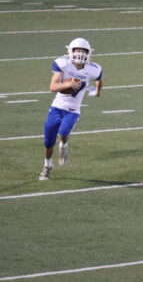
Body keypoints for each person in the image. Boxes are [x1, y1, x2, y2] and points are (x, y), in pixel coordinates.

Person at [41, 38, 103, 180]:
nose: (80, 54)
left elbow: (99, 79)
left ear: (88, 53)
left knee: (63, 132)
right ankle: (47, 166)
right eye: (77, 50)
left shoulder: (93, 69)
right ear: (71, 51)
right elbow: (52, 87)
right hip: (57, 107)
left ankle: (63, 144)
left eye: (83, 51)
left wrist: (97, 92)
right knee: (48, 142)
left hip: (73, 110)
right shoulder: (63, 64)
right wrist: (68, 85)